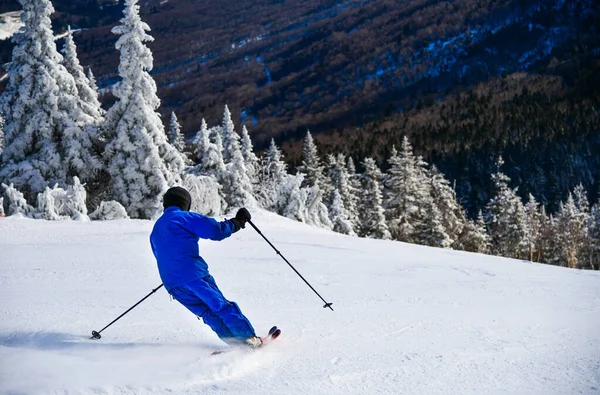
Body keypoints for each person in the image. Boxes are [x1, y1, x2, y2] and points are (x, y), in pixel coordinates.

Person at [150, 186, 262, 348]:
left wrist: (176, 273)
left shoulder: (156, 228)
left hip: (172, 284)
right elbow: (215, 231)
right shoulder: (183, 218)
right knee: (221, 306)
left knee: (206, 313)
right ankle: (249, 339)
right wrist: (237, 223)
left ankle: (235, 343)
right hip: (194, 276)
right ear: (185, 203)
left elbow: (159, 254)